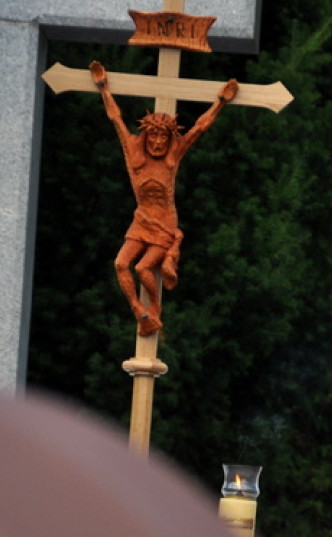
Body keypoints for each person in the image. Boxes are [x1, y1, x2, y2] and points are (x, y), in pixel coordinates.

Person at [90, 61, 238, 336]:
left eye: (163, 138)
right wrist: (103, 88)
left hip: (164, 223)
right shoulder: (133, 148)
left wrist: (221, 103)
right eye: (154, 136)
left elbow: (198, 128)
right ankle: (138, 309)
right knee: (121, 264)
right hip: (142, 218)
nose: (158, 143)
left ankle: (155, 307)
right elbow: (116, 119)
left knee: (145, 268)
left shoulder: (173, 153)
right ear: (146, 134)